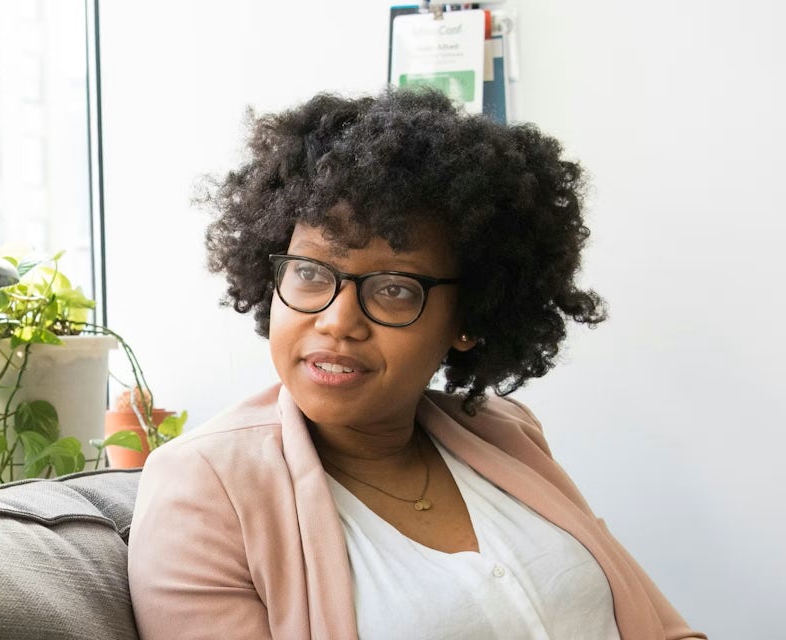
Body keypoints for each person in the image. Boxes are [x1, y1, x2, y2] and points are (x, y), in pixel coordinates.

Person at [128, 89, 703, 639]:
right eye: (309, 273)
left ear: (468, 317)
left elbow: (662, 627)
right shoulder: (202, 487)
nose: (337, 321)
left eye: (395, 289)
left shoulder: (505, 432)